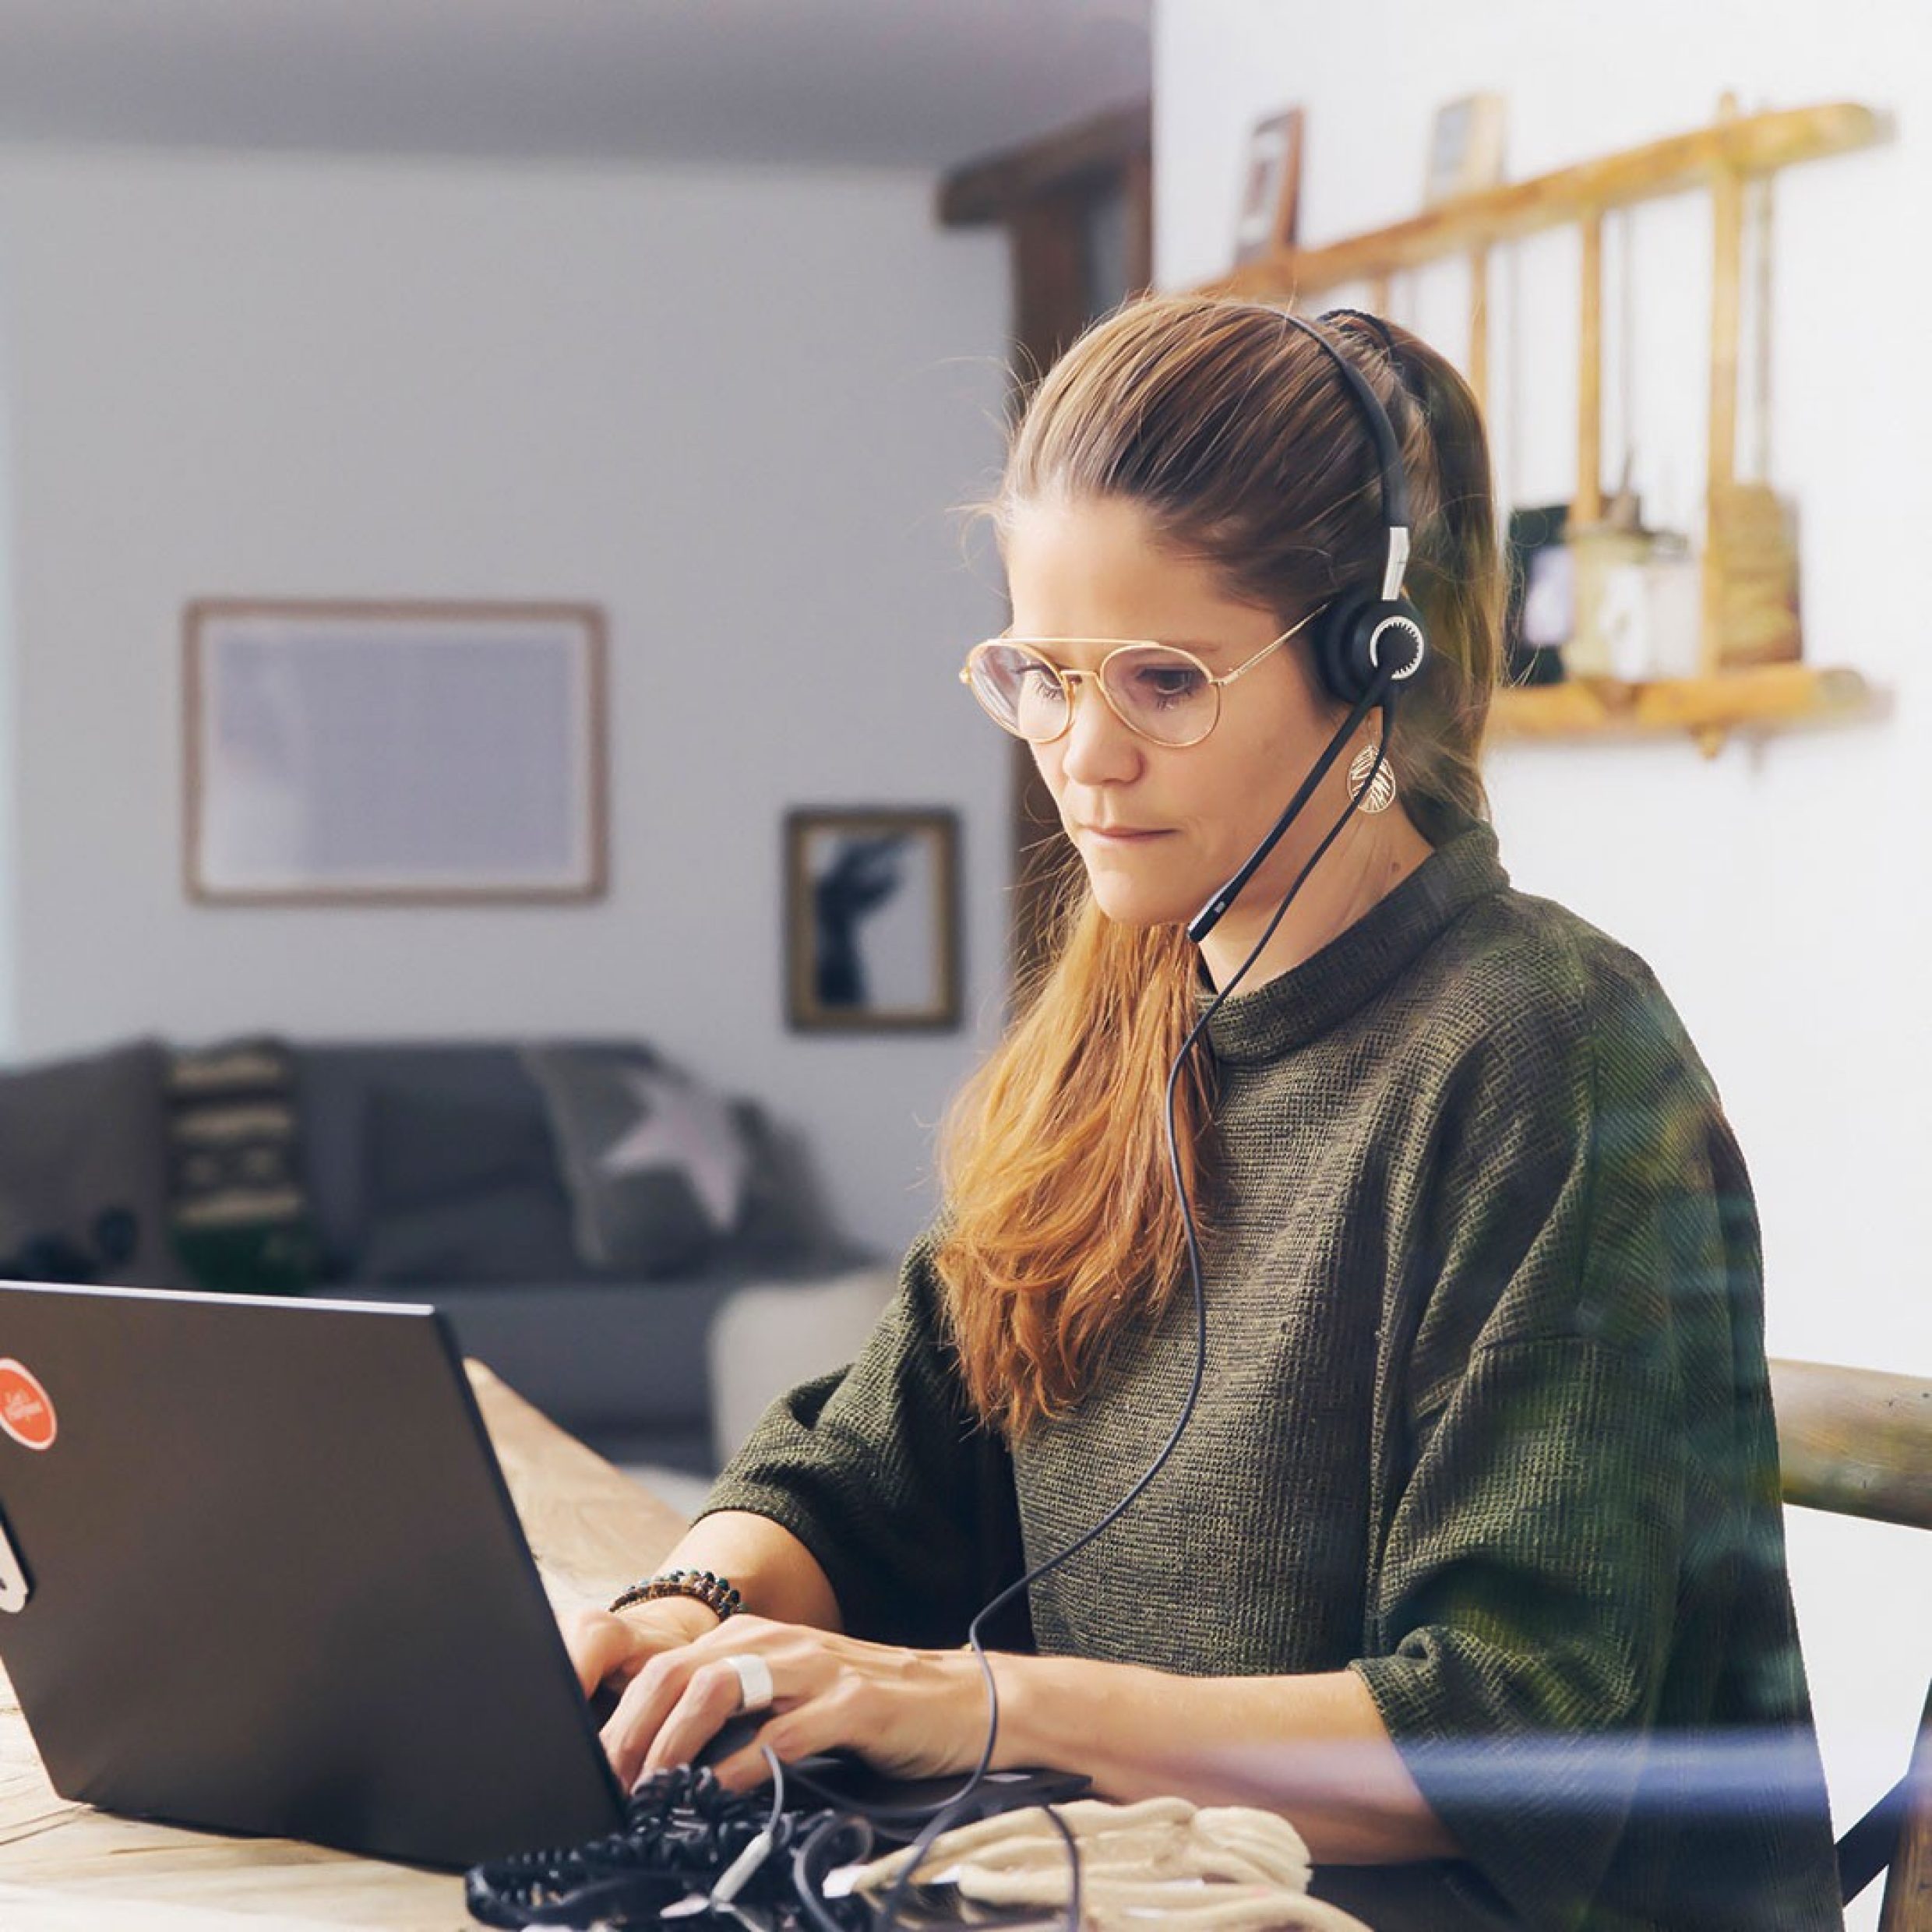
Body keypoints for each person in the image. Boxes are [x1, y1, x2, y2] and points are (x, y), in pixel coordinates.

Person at [566, 294, 1843, 1930]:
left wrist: (983, 1704)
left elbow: (1506, 1738)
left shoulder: (1549, 1048)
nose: (1081, 757)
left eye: (1160, 680)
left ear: (1362, 665)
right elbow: (864, 1466)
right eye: (1038, 673)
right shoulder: (1121, 1010)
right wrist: (687, 1608)